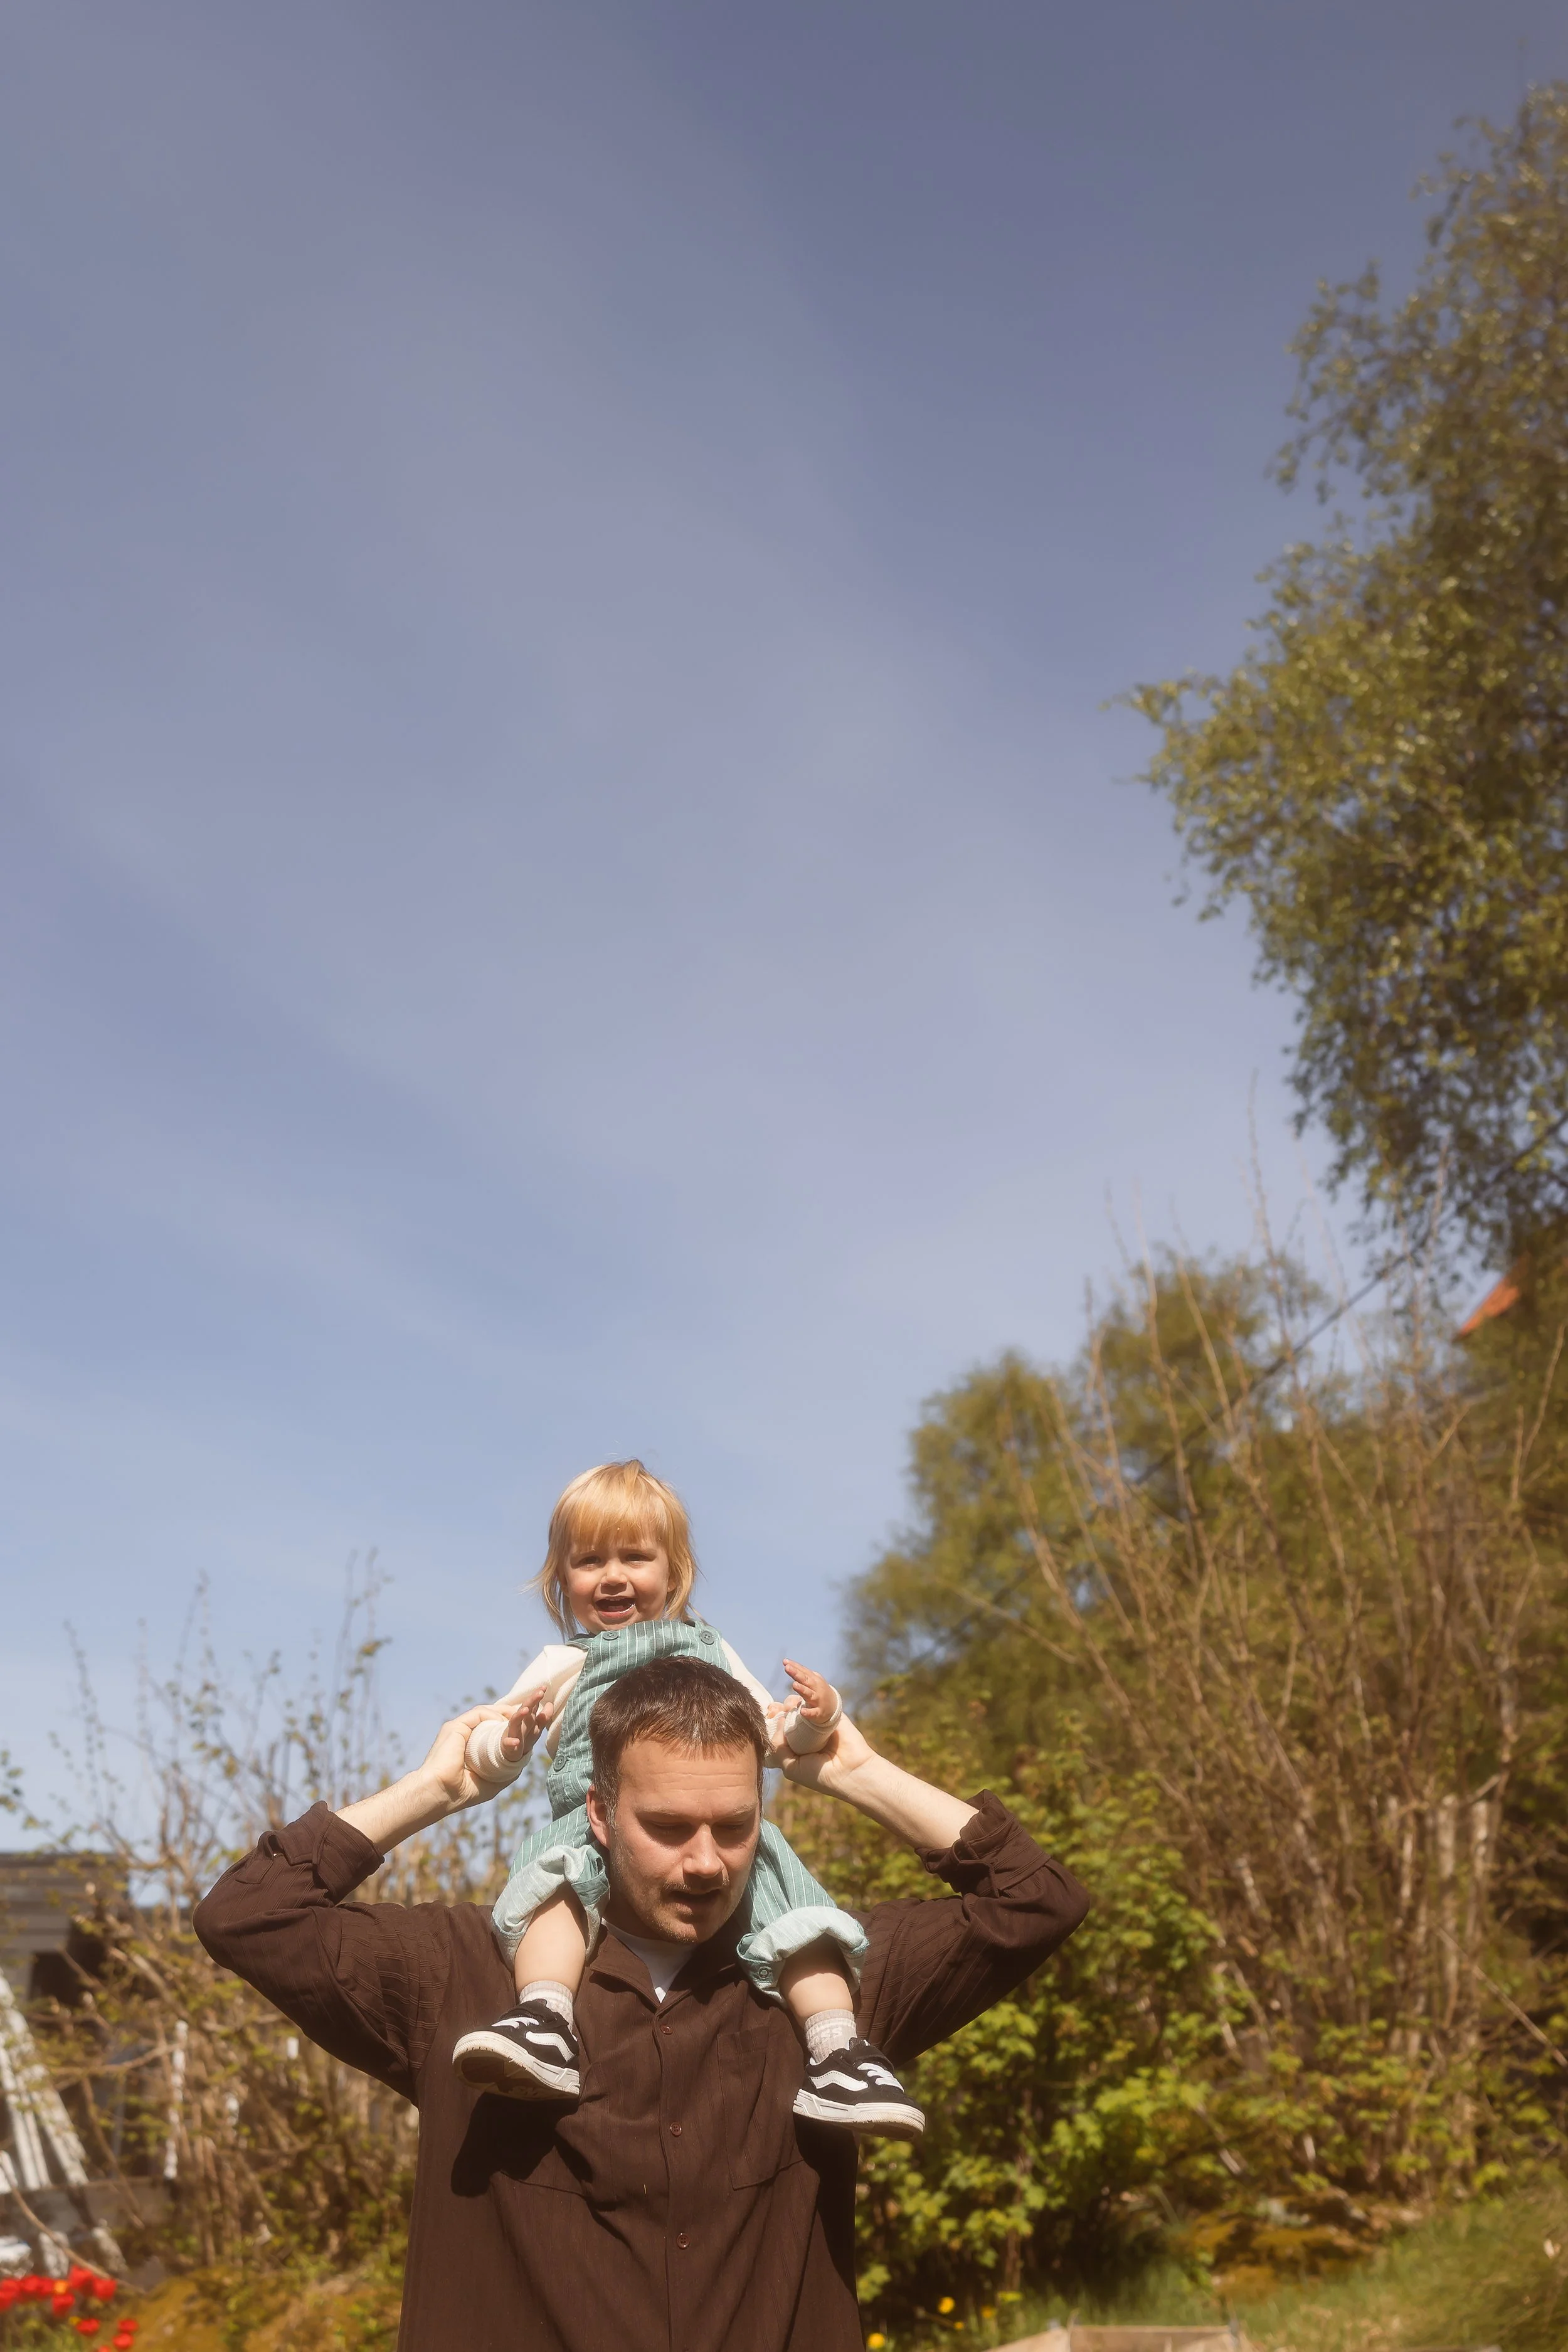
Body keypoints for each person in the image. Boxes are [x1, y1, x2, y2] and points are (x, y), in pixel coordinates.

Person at [194, 1655, 1090, 2352]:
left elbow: (1035, 1901)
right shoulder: (459, 1976)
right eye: (667, 1827)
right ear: (597, 1813)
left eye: (734, 1826)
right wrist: (441, 1789)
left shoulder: (827, 1984)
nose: (706, 1861)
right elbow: (250, 1915)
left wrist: (858, 1771)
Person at [452, 1459, 921, 2138]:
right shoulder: (565, 1665)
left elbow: (770, 1731)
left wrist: (817, 1718)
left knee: (799, 1920)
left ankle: (839, 2053)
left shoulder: (709, 1649)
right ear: (562, 1582)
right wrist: (510, 1741)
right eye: (589, 1561)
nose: (612, 1575)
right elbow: (486, 1746)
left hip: (714, 1826)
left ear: (674, 1574)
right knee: (553, 1889)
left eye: (635, 1557)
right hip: (597, 1828)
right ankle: (546, 2016)